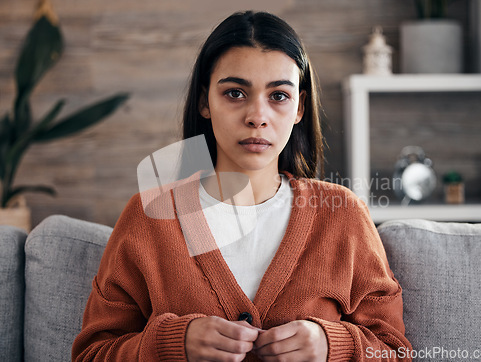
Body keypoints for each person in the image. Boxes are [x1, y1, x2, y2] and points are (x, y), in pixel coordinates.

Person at [72, 11, 412, 361]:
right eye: (235, 93)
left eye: (279, 96)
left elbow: (395, 352)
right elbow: (90, 354)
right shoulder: (148, 215)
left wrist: (333, 345)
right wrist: (171, 344)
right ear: (205, 102)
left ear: (300, 108)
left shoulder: (343, 214)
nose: (257, 116)